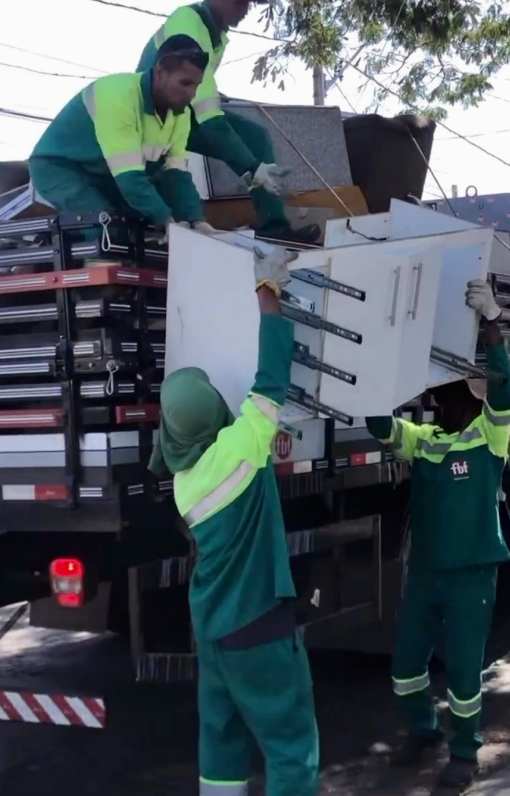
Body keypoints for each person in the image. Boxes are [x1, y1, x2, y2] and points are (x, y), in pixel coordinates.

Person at [149, 245, 319, 796]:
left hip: (213, 628)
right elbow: (271, 378)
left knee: (220, 747)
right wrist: (267, 291)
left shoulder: (183, 484)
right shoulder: (242, 447)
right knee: (291, 748)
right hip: (259, 625)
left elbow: (262, 391)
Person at [366, 279, 510, 791]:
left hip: (471, 574)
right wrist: (374, 370)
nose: (434, 402)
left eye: (445, 394)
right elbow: (379, 425)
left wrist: (492, 322)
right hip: (426, 572)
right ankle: (422, 732)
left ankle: (464, 754)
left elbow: (504, 389)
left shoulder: (490, 437)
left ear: (466, 400)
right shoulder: (424, 441)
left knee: (464, 672)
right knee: (407, 664)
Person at [137, 0, 320, 245]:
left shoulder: (217, 33)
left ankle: (274, 226)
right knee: (180, 165)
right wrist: (252, 168)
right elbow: (208, 118)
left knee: (255, 136)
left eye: (247, 4)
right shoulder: (188, 25)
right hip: (156, 113)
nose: (245, 11)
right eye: (238, 3)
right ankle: (178, 226)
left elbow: (202, 91)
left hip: (182, 110)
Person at [30, 36, 213, 233]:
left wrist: (198, 221)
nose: (192, 93)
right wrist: (168, 222)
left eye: (197, 85)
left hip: (106, 174)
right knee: (105, 229)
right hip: (60, 169)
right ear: (160, 72)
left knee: (141, 225)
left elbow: (177, 175)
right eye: (185, 83)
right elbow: (129, 178)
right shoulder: (118, 97)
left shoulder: (181, 113)